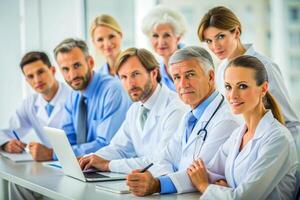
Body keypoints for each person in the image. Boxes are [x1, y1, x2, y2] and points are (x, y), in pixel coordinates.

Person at [126, 46, 241, 196]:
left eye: (190, 75)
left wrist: (157, 184)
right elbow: (164, 158)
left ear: (211, 77)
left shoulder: (226, 120)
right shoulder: (189, 115)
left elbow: (201, 174)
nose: (183, 84)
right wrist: (164, 178)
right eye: (177, 77)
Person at [187, 55, 299, 199]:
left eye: (242, 86)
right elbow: (207, 171)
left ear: (263, 88)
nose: (233, 95)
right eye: (228, 87)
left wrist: (205, 187)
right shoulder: (237, 135)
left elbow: (243, 197)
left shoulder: (278, 139)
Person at [197, 6, 300, 157]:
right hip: (240, 151)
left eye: (220, 37)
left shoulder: (265, 67)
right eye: (209, 41)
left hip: (270, 153)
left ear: (236, 32)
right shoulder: (221, 71)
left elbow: (291, 124)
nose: (215, 46)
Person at [79, 47, 187, 173]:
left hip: (167, 185)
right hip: (144, 181)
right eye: (123, 77)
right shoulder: (135, 109)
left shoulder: (176, 108)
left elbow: (161, 160)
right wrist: (89, 159)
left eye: (135, 74)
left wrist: (108, 165)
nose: (130, 83)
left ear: (154, 73)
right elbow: (119, 148)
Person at [50, 38, 130, 159]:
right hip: (83, 167)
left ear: (91, 62)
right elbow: (65, 140)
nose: (72, 75)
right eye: (65, 69)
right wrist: (60, 152)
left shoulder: (113, 91)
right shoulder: (74, 95)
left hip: (112, 168)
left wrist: (54, 154)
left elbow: (106, 146)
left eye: (77, 65)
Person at [0, 51, 70, 161]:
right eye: (30, 76)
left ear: (52, 70)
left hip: (79, 164)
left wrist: (51, 153)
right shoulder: (30, 103)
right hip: (49, 165)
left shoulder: (74, 97)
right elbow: (6, 131)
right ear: (27, 80)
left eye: (41, 72)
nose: (37, 80)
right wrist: (6, 144)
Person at [141, 5, 187, 91]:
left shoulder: (193, 61)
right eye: (155, 36)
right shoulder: (156, 71)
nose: (161, 42)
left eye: (166, 35)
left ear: (178, 37)